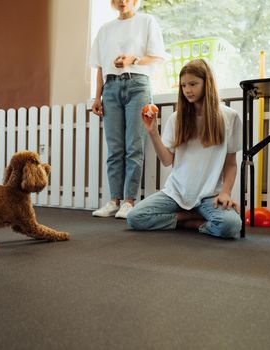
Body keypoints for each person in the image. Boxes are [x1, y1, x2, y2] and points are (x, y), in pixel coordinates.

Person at [126, 59, 242, 238]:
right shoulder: (176, 118)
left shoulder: (230, 117)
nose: (188, 90)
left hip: (209, 195)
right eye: (183, 85)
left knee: (231, 226)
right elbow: (166, 160)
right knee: (135, 217)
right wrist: (153, 132)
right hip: (177, 192)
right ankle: (190, 219)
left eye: (193, 84)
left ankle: (188, 221)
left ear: (207, 83)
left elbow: (231, 163)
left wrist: (226, 192)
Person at [89, 0, 166, 219]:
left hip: (138, 84)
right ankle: (114, 200)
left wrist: (135, 59)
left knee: (134, 146)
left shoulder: (147, 21)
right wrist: (97, 97)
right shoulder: (105, 30)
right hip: (110, 87)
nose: (122, 1)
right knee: (114, 148)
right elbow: (101, 66)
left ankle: (129, 201)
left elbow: (158, 56)